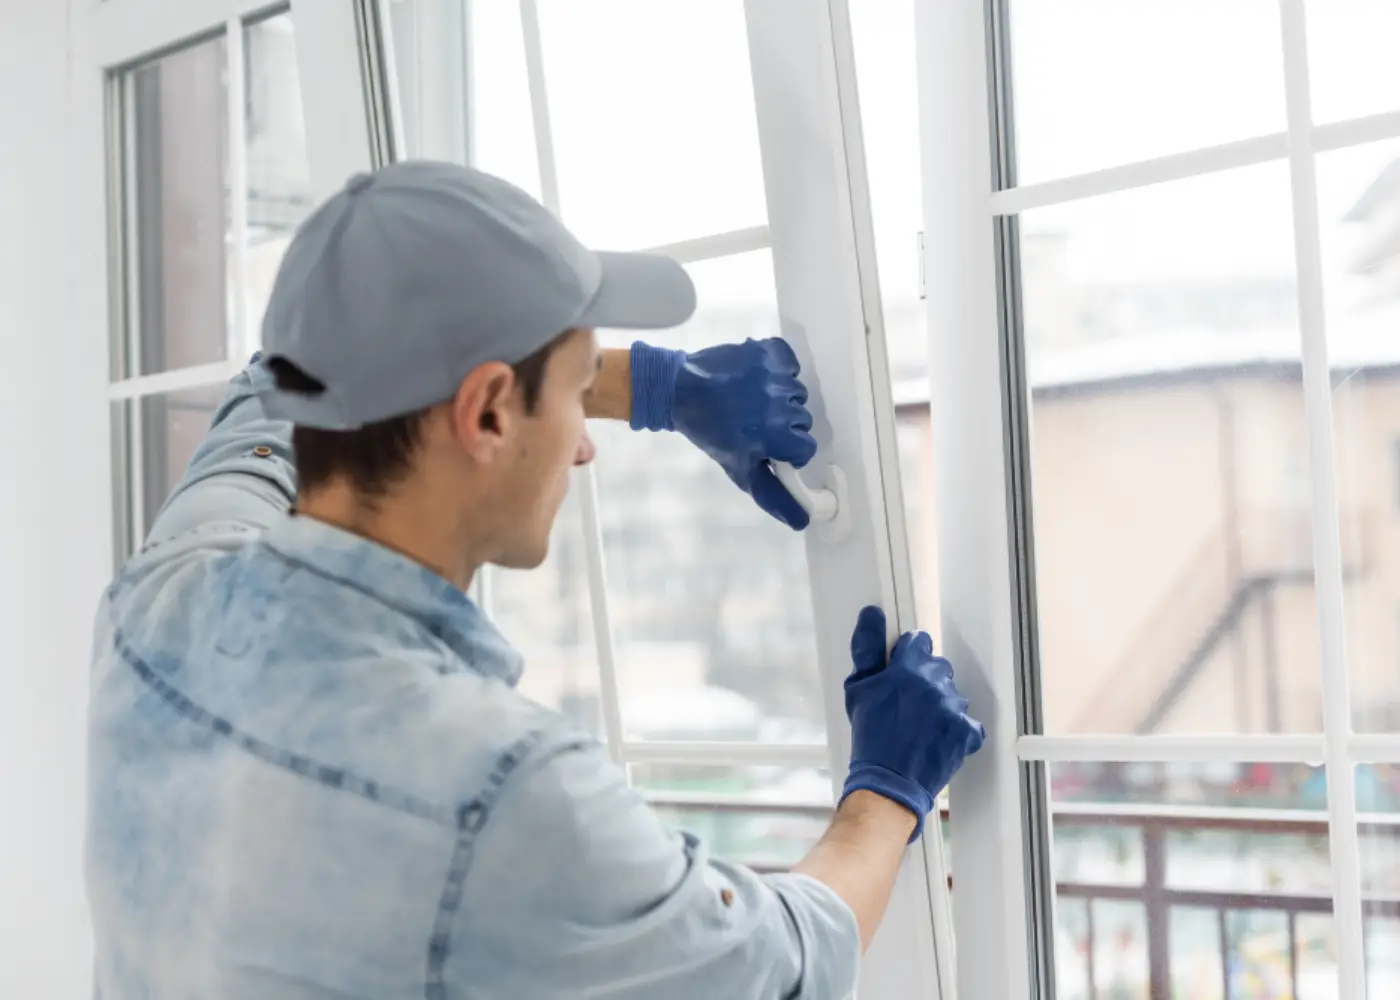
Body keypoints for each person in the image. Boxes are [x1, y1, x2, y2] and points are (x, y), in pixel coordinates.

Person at [87, 160, 985, 999]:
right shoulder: (504, 791)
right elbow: (774, 967)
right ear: (483, 411)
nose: (585, 440)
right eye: (571, 391)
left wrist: (658, 387)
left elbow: (276, 387)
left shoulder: (158, 599)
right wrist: (885, 791)